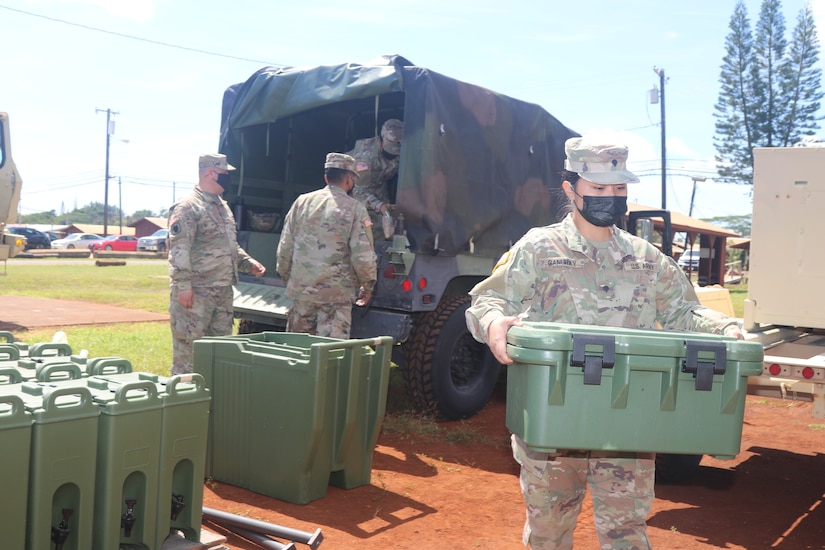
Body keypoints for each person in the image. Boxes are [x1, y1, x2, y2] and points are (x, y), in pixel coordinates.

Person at [465, 135, 744, 550]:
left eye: (618, 189)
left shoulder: (648, 258)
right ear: (570, 188)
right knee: (548, 536)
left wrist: (726, 329)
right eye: (598, 188)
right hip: (554, 427)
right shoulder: (538, 249)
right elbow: (488, 299)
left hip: (627, 428)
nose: (609, 198)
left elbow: (684, 312)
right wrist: (491, 324)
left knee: (626, 535)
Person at [167, 153, 266, 375]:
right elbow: (179, 249)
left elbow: (229, 245)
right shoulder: (187, 207)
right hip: (196, 292)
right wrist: (183, 286)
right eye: (225, 174)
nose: (229, 179)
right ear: (211, 173)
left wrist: (247, 263)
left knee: (220, 352)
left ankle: (213, 401)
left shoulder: (222, 207)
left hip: (221, 291)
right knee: (188, 353)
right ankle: (184, 402)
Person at [276, 152, 377, 339]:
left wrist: (289, 278)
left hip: (302, 293)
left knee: (297, 351)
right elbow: (362, 255)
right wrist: (367, 285)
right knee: (329, 355)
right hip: (335, 298)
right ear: (349, 179)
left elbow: (285, 247)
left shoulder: (301, 202)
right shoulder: (355, 209)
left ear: (326, 177)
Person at [346, 118, 403, 239]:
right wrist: (380, 206)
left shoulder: (402, 150)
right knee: (363, 227)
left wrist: (385, 207)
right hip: (354, 188)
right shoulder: (365, 156)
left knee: (386, 223)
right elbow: (359, 191)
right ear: (382, 140)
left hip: (378, 186)